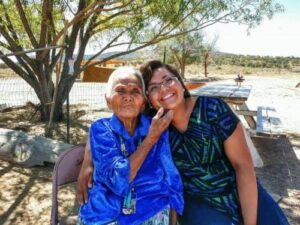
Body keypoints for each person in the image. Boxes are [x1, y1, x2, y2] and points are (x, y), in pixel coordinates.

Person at [78, 61, 289, 225]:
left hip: (236, 185)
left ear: (181, 82)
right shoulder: (156, 125)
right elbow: (109, 125)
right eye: (153, 87)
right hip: (197, 199)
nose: (164, 89)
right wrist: (88, 160)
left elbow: (243, 167)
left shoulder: (212, 110)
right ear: (148, 100)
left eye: (169, 80)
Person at [77, 66, 183, 225]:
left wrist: (173, 220)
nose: (128, 97)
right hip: (105, 216)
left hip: (151, 211)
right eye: (120, 90)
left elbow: (171, 178)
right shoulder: (101, 129)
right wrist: (150, 140)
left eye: (135, 91)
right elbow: (118, 181)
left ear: (143, 103)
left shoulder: (156, 126)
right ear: (108, 100)